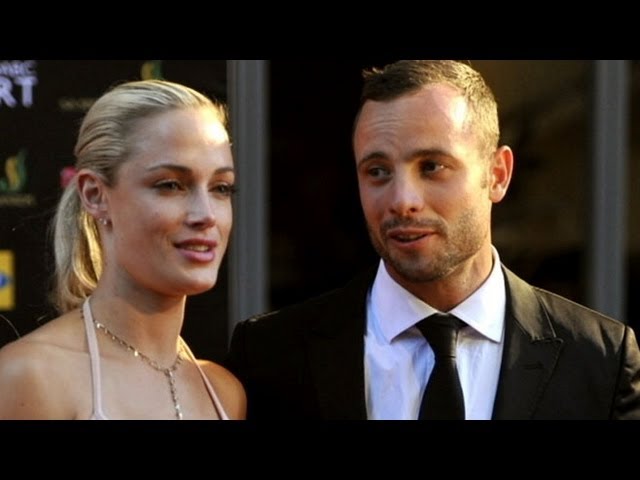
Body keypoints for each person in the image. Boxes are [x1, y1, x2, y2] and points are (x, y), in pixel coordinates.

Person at [225, 60, 640, 420]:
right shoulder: (271, 356)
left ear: (497, 174)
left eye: (432, 166)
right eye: (378, 171)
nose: (402, 200)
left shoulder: (599, 360)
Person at [0, 79, 246, 419]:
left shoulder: (224, 392)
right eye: (170, 185)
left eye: (221, 188)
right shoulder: (30, 377)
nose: (206, 215)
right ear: (95, 195)